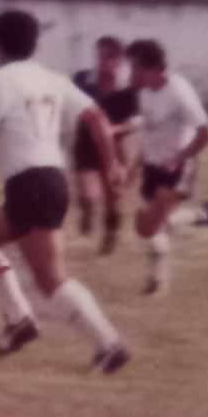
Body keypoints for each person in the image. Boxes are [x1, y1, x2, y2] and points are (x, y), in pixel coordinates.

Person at [0, 10, 130, 374]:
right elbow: (98, 119)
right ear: (34, 43)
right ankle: (19, 321)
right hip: (50, 179)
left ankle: (109, 344)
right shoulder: (52, 78)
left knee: (51, 280)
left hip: (31, 184)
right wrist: (113, 164)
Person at [126, 39, 208, 297]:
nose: (131, 74)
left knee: (154, 223)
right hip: (152, 167)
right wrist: (134, 166)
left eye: (135, 67)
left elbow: (206, 133)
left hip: (177, 169)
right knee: (146, 227)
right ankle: (202, 216)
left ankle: (157, 281)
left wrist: (180, 157)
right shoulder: (144, 92)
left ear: (153, 69)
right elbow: (149, 133)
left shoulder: (179, 91)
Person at [73, 36, 139, 255]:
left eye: (110, 57)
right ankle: (87, 213)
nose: (104, 61)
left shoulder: (128, 89)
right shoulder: (83, 80)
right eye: (100, 56)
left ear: (120, 60)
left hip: (114, 148)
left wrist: (117, 130)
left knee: (113, 198)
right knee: (88, 194)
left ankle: (110, 236)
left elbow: (137, 121)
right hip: (85, 145)